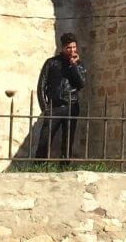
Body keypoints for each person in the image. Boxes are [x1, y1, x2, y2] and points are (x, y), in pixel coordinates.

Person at [35, 32, 87, 162]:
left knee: (68, 141)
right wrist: (45, 108)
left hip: (71, 106)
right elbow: (41, 86)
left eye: (74, 47)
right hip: (55, 107)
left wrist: (74, 65)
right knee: (45, 140)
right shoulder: (51, 63)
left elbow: (81, 84)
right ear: (63, 48)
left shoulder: (79, 65)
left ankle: (65, 168)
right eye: (69, 47)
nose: (72, 50)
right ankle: (37, 166)